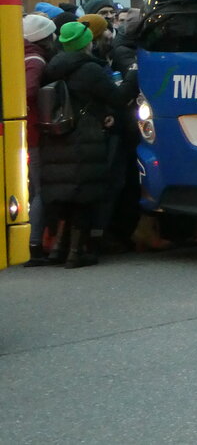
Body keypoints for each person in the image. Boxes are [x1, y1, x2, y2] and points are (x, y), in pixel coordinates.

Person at [39, 21, 139, 268]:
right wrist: (133, 74)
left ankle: (58, 250)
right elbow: (118, 97)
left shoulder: (53, 67)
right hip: (84, 138)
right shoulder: (89, 69)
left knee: (65, 196)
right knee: (84, 195)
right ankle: (76, 253)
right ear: (86, 43)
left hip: (58, 137)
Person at [22, 13, 58, 265]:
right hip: (34, 133)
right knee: (39, 191)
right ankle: (34, 244)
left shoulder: (21, 55)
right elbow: (29, 90)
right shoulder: (36, 60)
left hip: (25, 133)